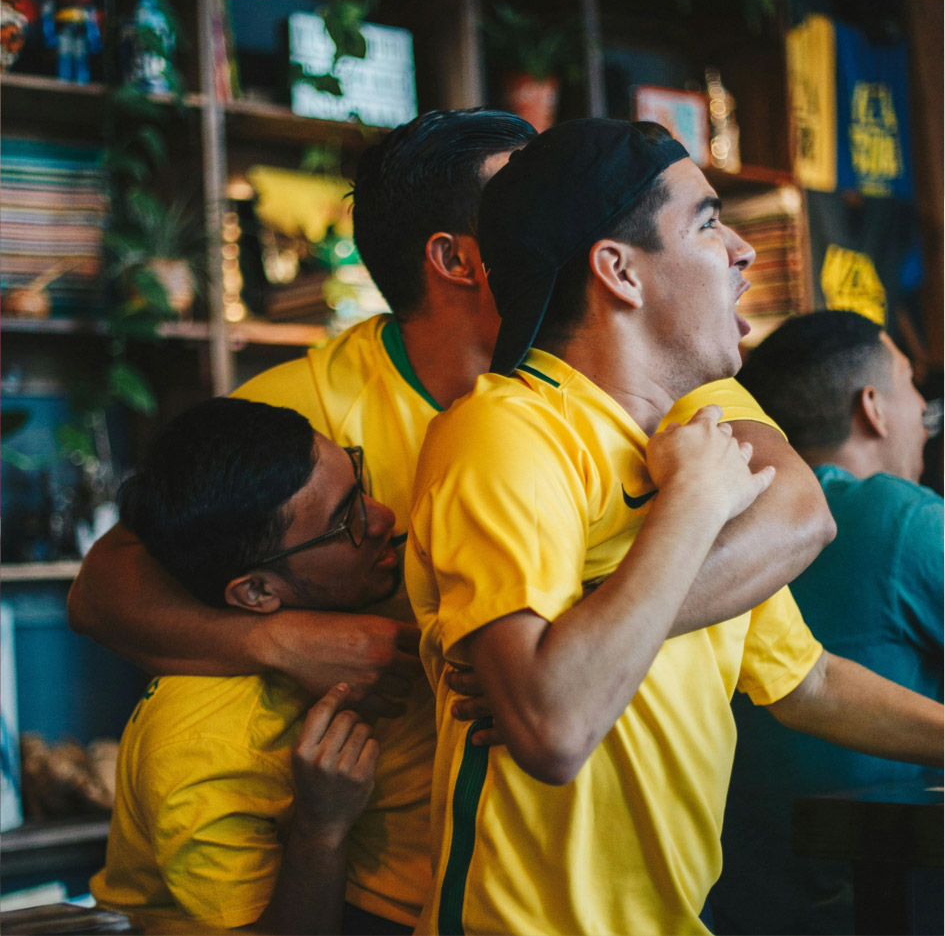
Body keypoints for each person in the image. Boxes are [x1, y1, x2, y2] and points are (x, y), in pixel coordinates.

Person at [69, 110, 833, 931]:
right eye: (524, 187)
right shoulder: (307, 408)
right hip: (370, 882)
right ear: (458, 257)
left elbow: (796, 513)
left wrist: (564, 648)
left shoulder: (650, 363)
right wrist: (283, 641)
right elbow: (104, 589)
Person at [404, 119, 944, 936]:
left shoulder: (686, 444)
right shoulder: (505, 431)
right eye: (707, 222)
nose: (742, 250)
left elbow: (808, 683)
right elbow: (552, 727)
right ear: (618, 271)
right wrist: (691, 504)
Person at [90, 397, 397, 934]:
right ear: (257, 592)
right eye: (346, 519)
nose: (385, 516)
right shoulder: (203, 751)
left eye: (359, 480)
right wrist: (321, 827)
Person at [710, 310, 944, 936]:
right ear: (873, 408)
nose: (927, 414)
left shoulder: (718, 526)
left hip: (734, 905)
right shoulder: (900, 517)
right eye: (910, 382)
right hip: (878, 902)